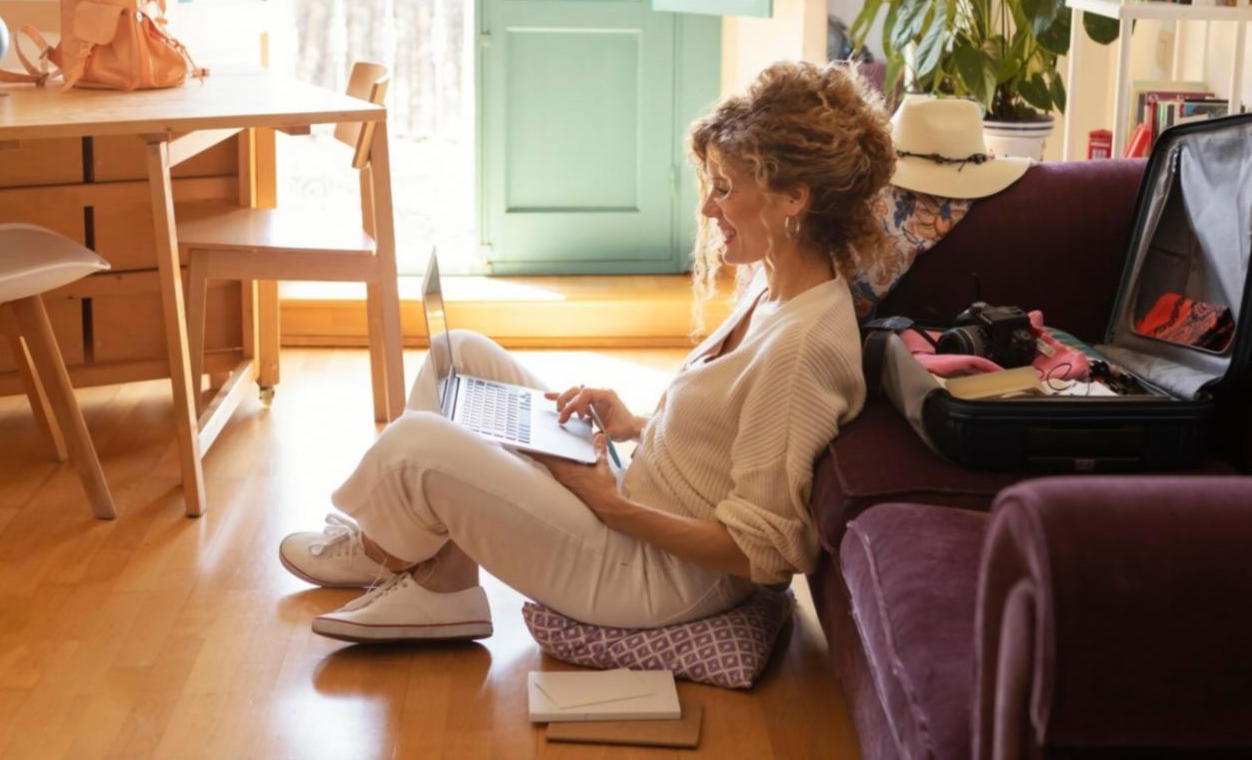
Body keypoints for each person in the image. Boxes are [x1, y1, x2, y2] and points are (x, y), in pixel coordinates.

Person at [278, 61, 897, 642]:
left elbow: (765, 553)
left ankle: (388, 549)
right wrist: (634, 424)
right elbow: (735, 438)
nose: (709, 207)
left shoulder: (803, 346)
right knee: (455, 357)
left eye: (726, 188)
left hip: (657, 578)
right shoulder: (775, 283)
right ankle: (438, 580)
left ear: (795, 198)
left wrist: (609, 504)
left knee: (420, 441)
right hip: (636, 502)